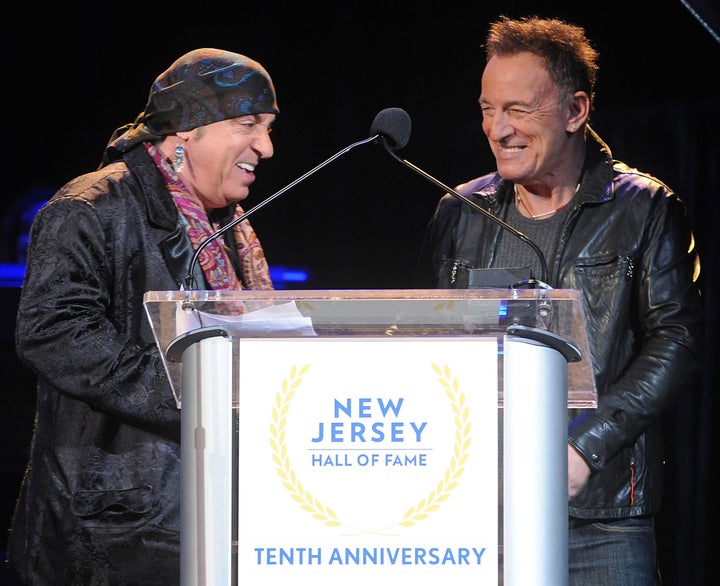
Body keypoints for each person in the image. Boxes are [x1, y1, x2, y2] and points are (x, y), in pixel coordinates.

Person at [414, 15, 704, 585]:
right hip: (477, 508)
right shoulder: (459, 212)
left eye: (519, 109)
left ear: (575, 111)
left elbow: (678, 341)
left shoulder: (643, 208)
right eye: (487, 109)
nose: (499, 129)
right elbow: (427, 340)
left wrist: (584, 449)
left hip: (602, 515)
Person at [6, 48, 279, 584]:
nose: (266, 147)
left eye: (269, 128)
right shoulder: (89, 208)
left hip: (212, 514)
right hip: (112, 531)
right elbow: (52, 334)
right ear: (184, 133)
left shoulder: (224, 227)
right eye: (249, 124)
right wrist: (203, 394)